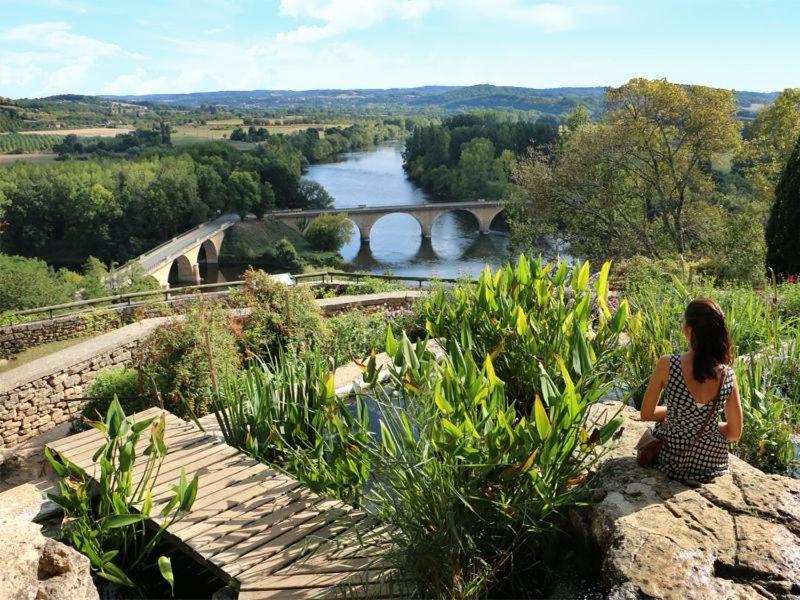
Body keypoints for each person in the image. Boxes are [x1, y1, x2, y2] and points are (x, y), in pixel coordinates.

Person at [640, 298, 743, 482]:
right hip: (712, 462)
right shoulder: (728, 375)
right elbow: (734, 433)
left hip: (672, 460)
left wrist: (679, 415)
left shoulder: (668, 364)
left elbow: (646, 413)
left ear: (689, 329)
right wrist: (705, 422)